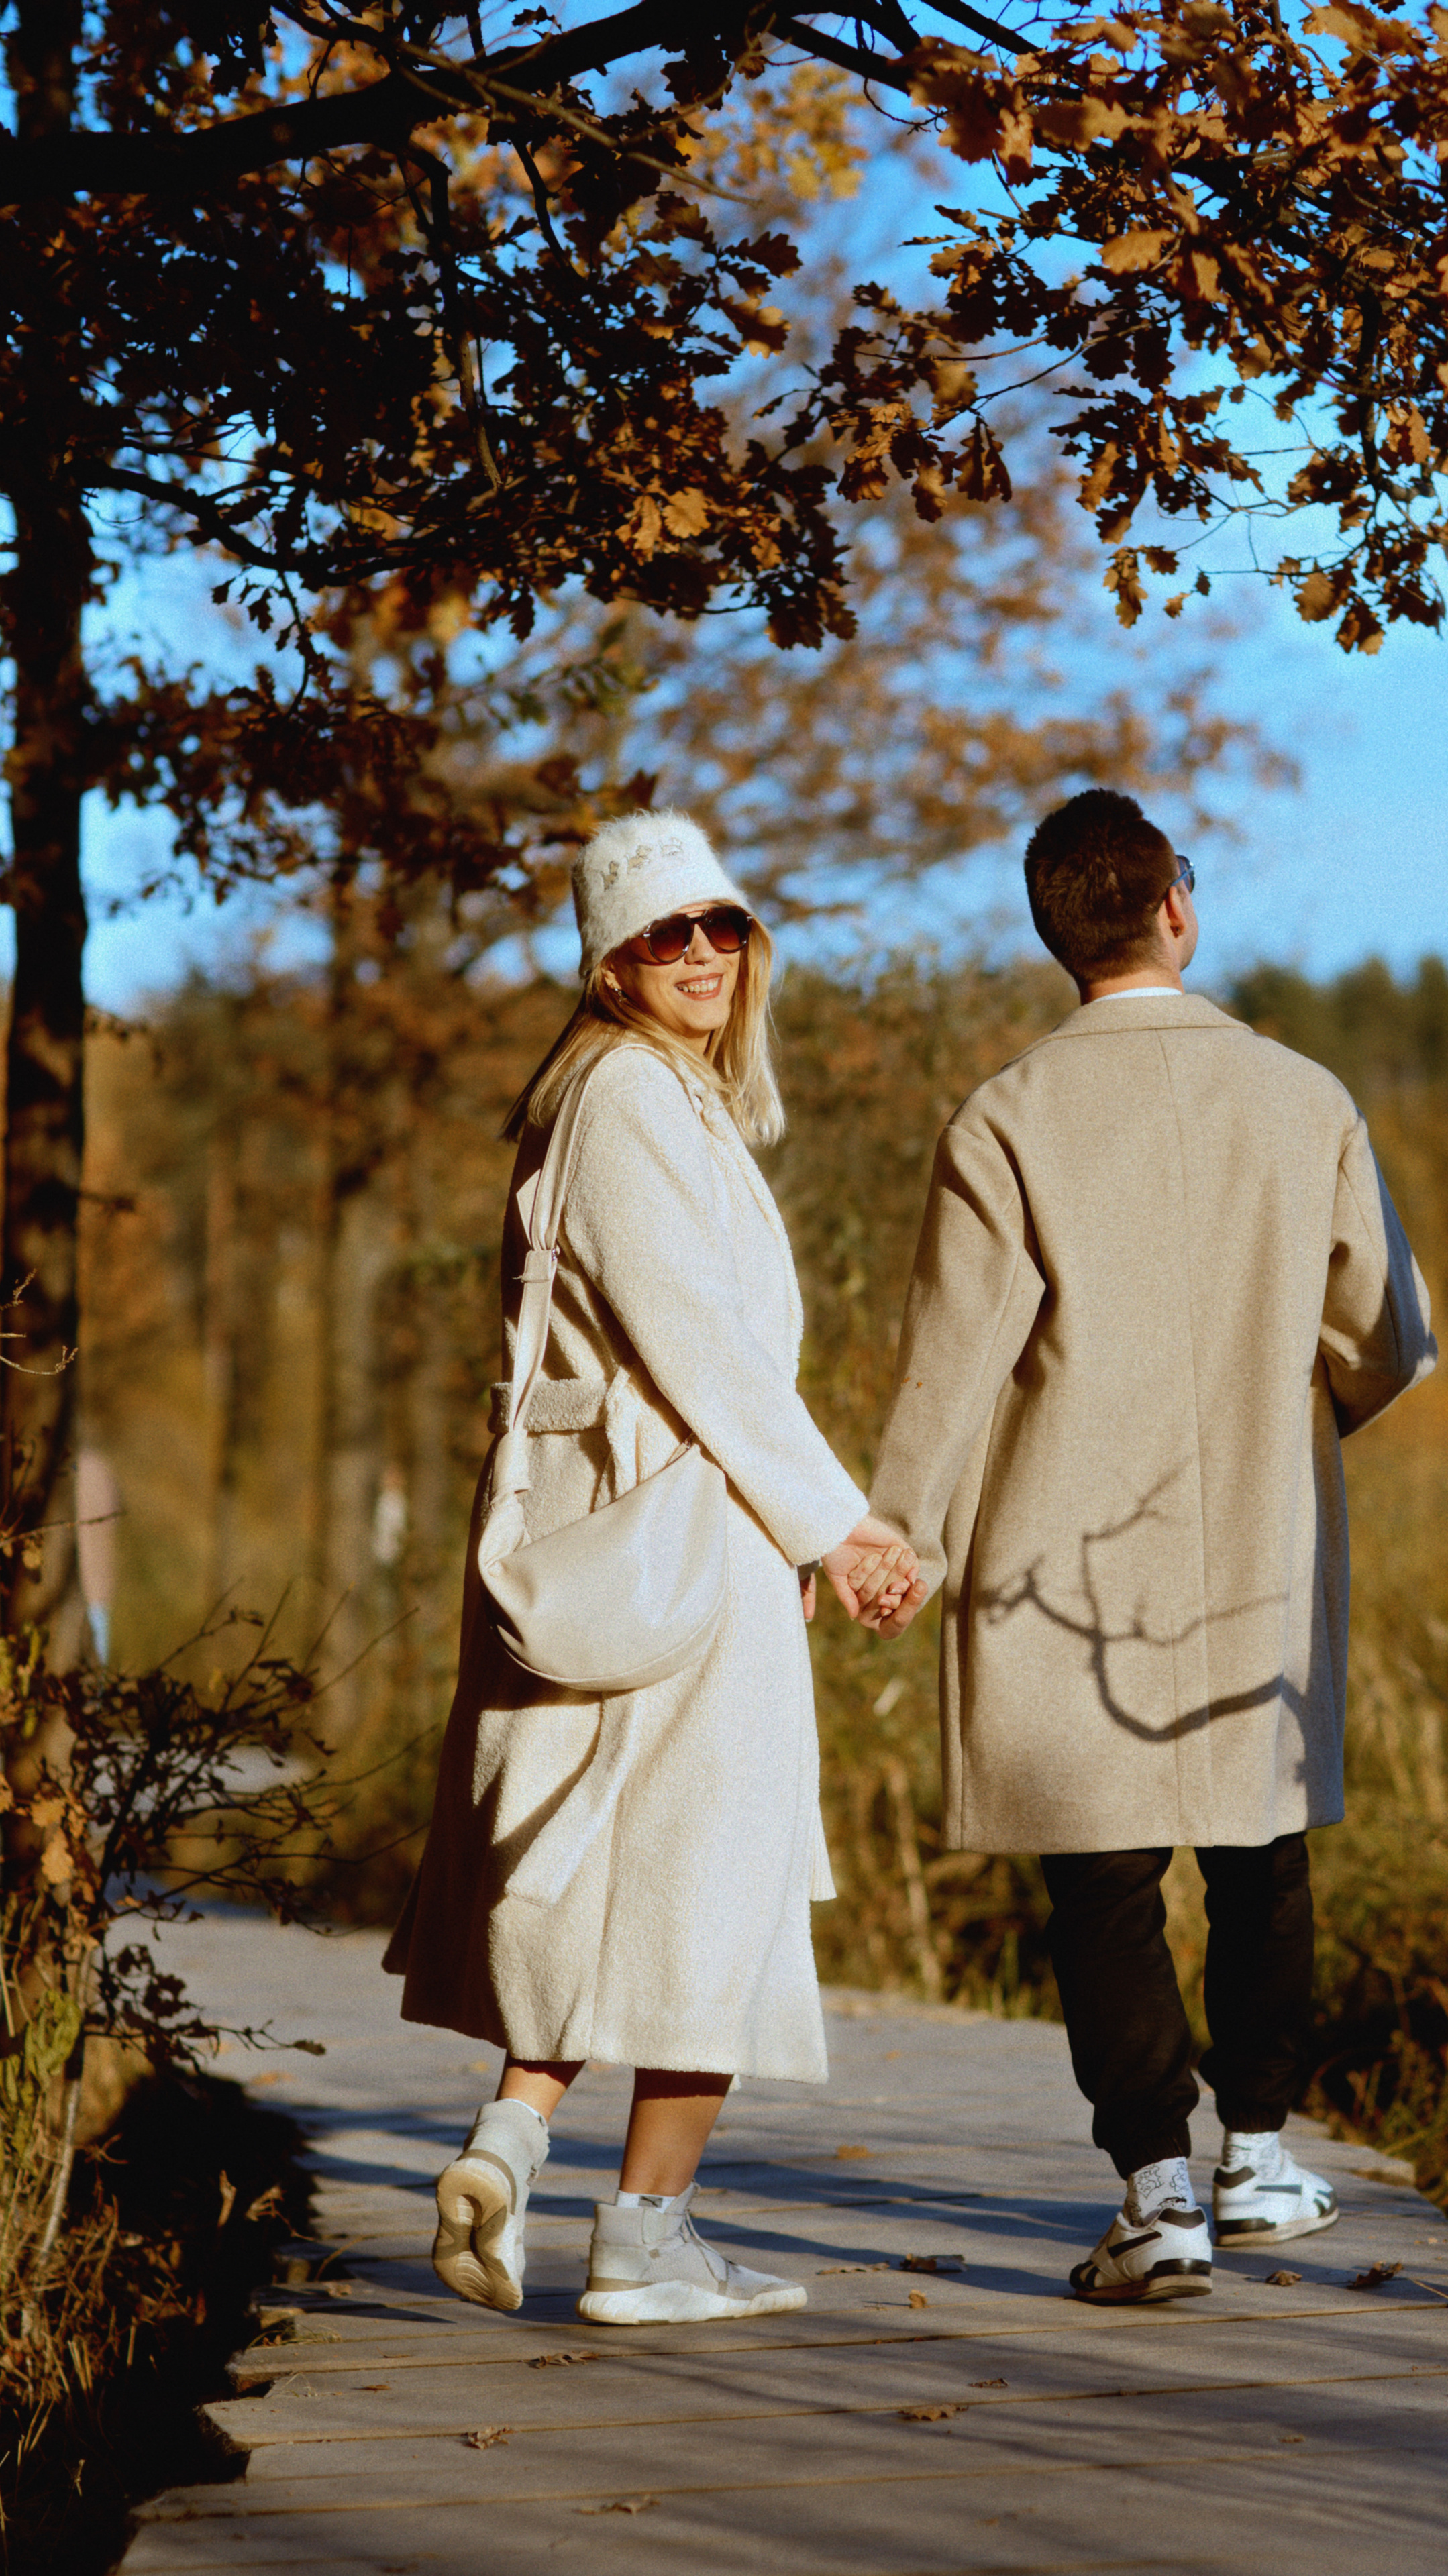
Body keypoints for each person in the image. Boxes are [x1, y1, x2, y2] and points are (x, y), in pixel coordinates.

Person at [865, 788, 1436, 2303]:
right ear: (1176, 907)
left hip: (1066, 1545)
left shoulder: (1002, 1116)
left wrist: (894, 1534)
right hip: (1258, 1523)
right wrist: (1296, 1424)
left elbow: (952, 1361)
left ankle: (1155, 2193)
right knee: (1263, 1853)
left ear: (1056, 933)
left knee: (1100, 1880)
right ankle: (1259, 2157)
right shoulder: (1303, 1099)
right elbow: (1380, 1338)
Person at [385, 808, 923, 2328]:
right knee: (721, 1881)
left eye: (720, 926)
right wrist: (830, 1524)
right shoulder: (624, 1099)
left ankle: (513, 2141)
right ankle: (642, 2233)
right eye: (659, 934)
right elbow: (703, 1352)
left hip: (643, 1531)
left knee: (617, 1867)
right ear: (608, 961)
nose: (697, 954)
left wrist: (793, 1519)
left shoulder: (645, 1099)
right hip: (678, 1531)